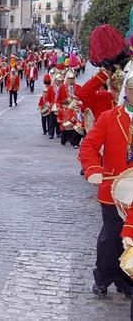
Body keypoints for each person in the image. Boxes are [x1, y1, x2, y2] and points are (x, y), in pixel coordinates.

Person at [80, 75, 133, 300]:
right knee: (111, 238)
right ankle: (103, 277)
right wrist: (93, 169)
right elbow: (89, 146)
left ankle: (127, 278)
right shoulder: (109, 117)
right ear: (126, 91)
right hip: (114, 190)